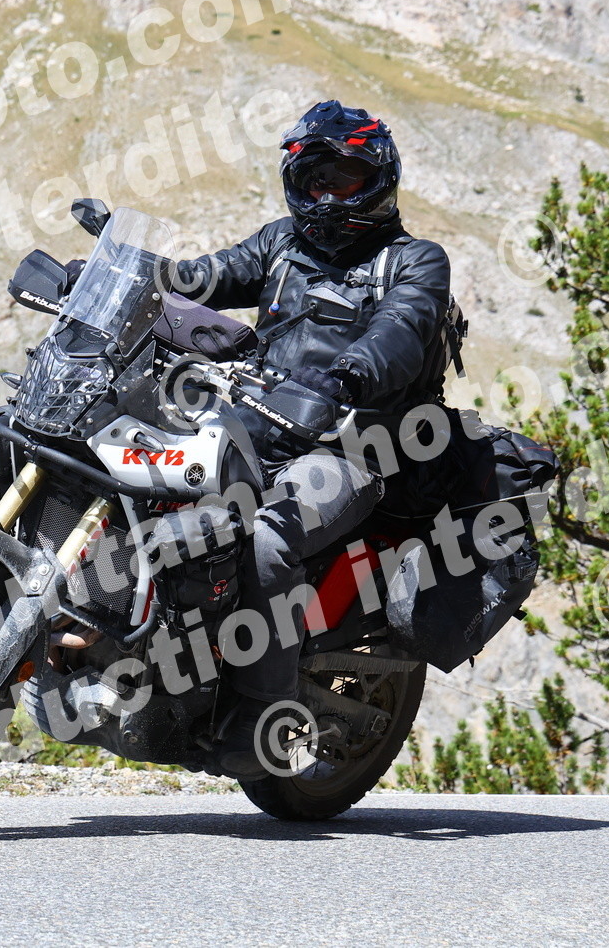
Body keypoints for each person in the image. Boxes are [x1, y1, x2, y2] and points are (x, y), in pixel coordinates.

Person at [171, 100, 455, 777]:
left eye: (345, 178)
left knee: (268, 538)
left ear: (379, 180)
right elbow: (204, 276)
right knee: (148, 483)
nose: (328, 195)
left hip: (351, 450)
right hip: (254, 426)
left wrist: (347, 374)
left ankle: (260, 712)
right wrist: (123, 274)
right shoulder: (281, 244)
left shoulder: (414, 260)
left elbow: (401, 331)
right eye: (315, 179)